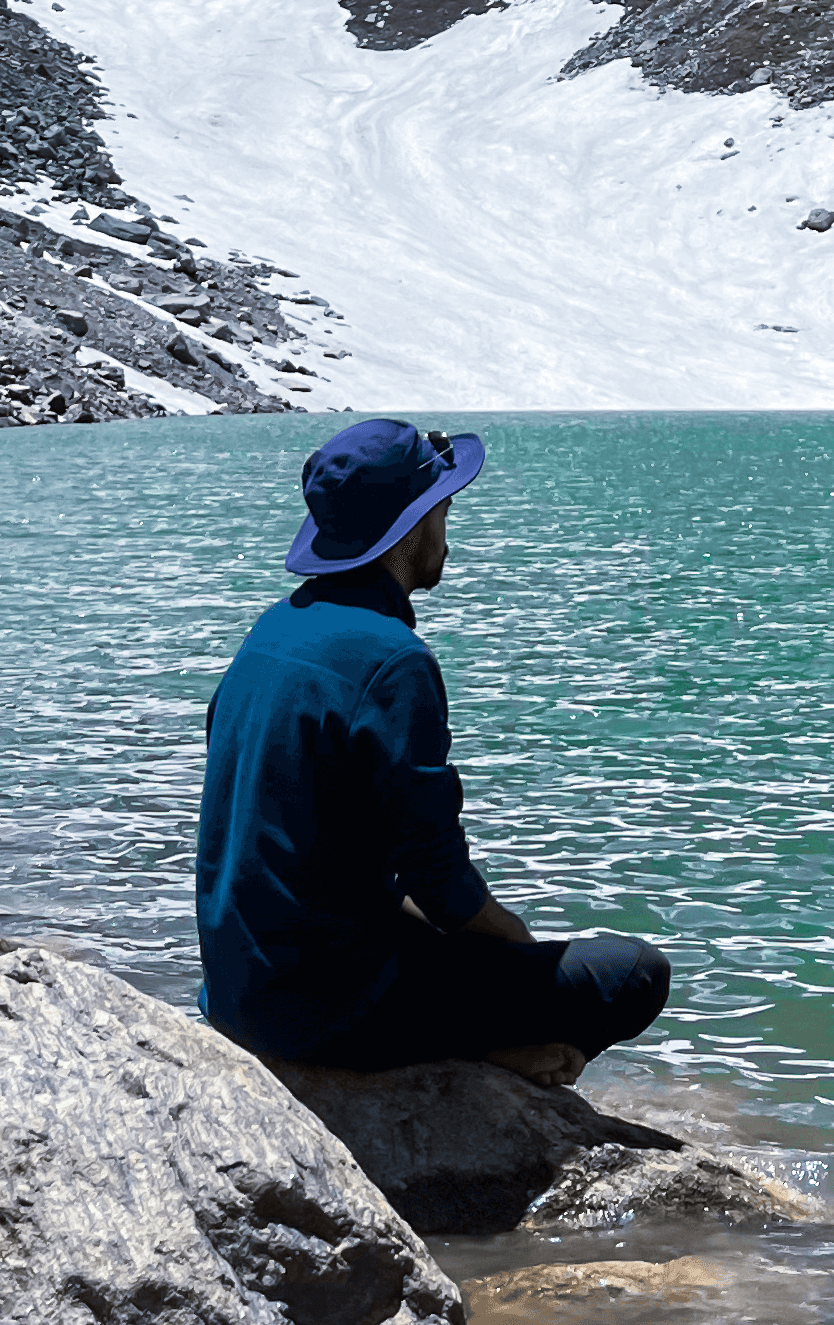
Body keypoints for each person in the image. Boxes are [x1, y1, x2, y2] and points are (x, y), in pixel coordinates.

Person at [196, 419, 671, 1087]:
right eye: (442, 510)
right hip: (325, 1010)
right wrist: (524, 961)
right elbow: (440, 879)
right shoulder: (393, 661)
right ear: (411, 527)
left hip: (239, 990)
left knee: (450, 941)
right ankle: (496, 1049)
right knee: (633, 972)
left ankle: (483, 1035)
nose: (448, 531)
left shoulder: (271, 631)